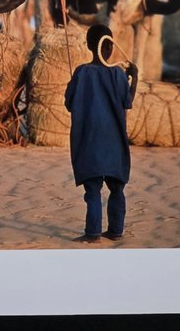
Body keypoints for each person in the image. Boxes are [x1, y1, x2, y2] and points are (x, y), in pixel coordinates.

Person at [64, 24, 138, 243]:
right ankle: (115, 230)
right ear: (110, 46)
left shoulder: (82, 72)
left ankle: (93, 233)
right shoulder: (118, 74)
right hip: (114, 140)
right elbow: (127, 101)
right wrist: (134, 78)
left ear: (89, 46)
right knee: (117, 188)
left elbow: (69, 104)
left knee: (93, 189)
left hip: (89, 140)